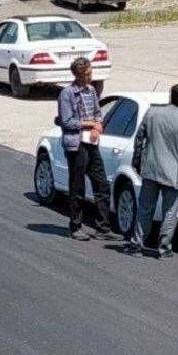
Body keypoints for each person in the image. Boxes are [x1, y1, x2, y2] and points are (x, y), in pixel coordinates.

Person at [128, 84, 178, 258]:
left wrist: (137, 161)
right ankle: (164, 248)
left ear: (170, 96)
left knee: (145, 208)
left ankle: (137, 244)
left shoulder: (152, 113)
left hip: (151, 168)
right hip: (173, 173)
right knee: (169, 212)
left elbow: (139, 139)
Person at [57, 57, 120, 241]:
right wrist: (89, 124)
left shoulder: (91, 90)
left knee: (101, 184)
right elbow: (67, 121)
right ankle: (75, 226)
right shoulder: (67, 94)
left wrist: (98, 125)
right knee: (77, 186)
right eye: (87, 74)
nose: (90, 76)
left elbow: (98, 113)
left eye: (90, 73)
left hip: (92, 143)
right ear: (78, 75)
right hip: (76, 144)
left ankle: (103, 227)